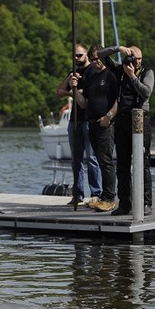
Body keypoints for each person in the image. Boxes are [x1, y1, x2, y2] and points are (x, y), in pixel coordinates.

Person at [97, 45, 155, 216]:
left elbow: (146, 92)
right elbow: (100, 55)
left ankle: (146, 203)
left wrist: (132, 76)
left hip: (140, 121)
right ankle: (125, 204)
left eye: (139, 59)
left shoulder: (146, 72)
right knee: (122, 165)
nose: (136, 62)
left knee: (142, 164)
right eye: (133, 58)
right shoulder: (119, 69)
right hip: (122, 120)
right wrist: (119, 49)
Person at [71, 46, 118, 212]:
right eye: (93, 59)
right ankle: (102, 197)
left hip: (106, 124)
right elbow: (83, 103)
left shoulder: (111, 74)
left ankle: (109, 198)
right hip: (91, 123)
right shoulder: (91, 77)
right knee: (98, 159)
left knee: (105, 161)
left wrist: (109, 117)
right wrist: (74, 88)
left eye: (98, 58)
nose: (96, 61)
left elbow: (118, 99)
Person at [55, 44, 102, 206]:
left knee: (92, 158)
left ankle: (96, 193)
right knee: (76, 159)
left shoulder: (92, 72)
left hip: (88, 120)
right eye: (74, 56)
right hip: (74, 121)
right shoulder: (73, 73)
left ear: (86, 56)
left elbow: (86, 93)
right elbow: (59, 91)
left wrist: (75, 89)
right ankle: (78, 194)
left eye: (79, 55)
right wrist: (70, 83)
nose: (76, 58)